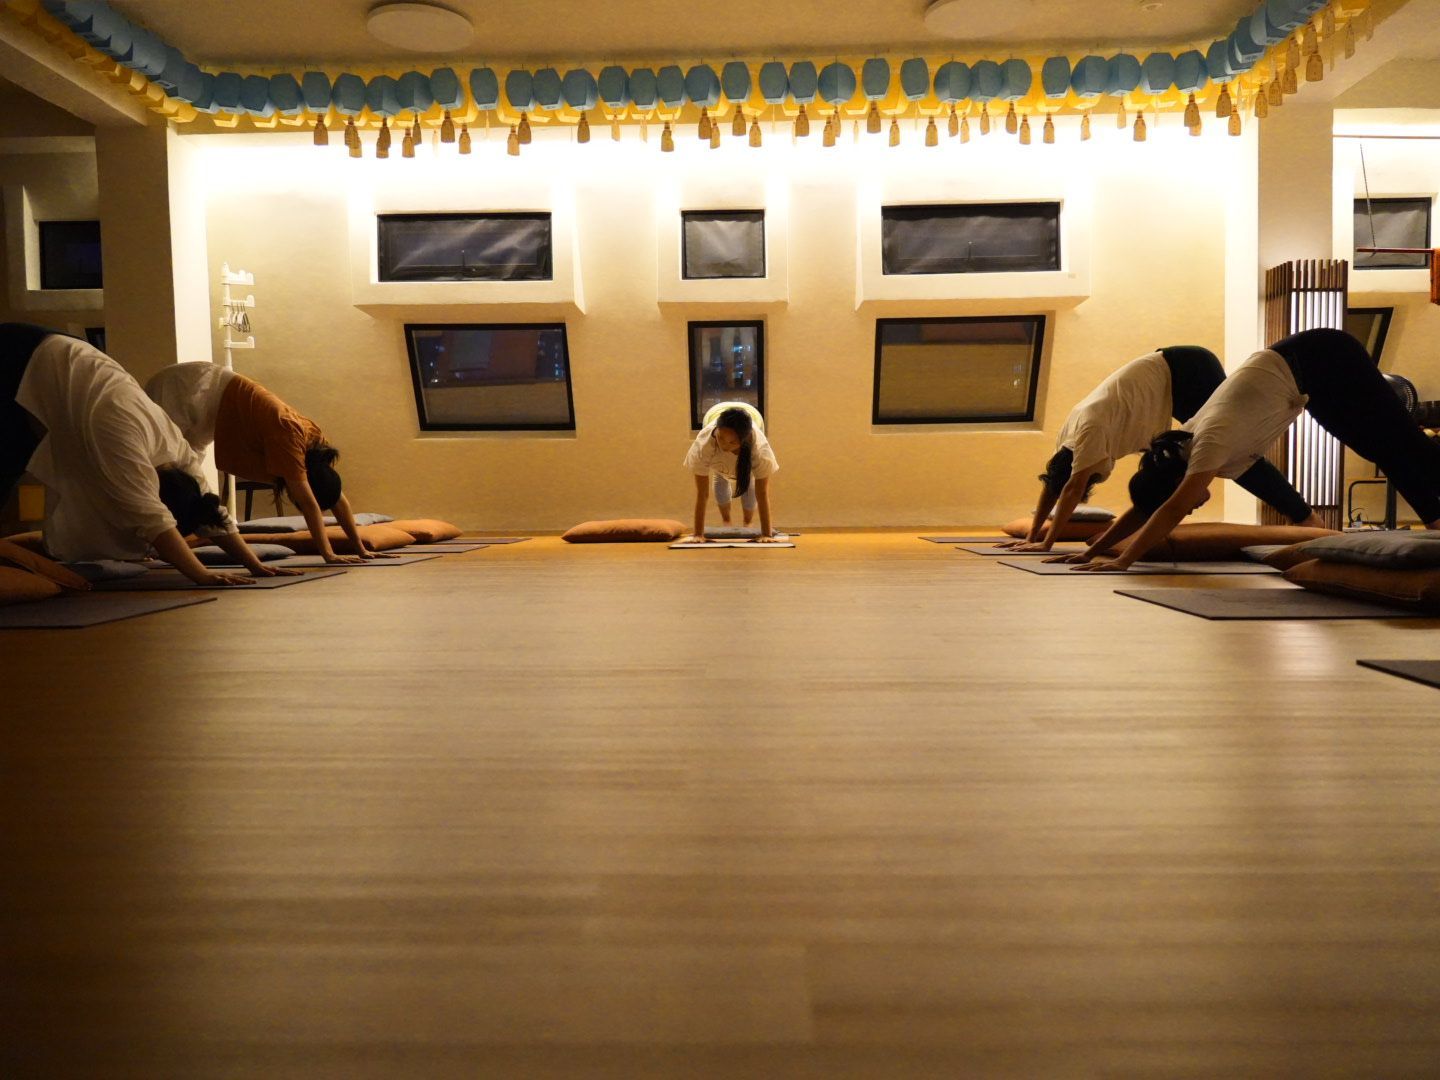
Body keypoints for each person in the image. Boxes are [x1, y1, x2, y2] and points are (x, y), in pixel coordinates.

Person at [1070, 327, 1440, 573]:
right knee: (1385, 449)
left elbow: (1171, 507)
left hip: (1324, 356)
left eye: (1189, 502)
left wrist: (1123, 562)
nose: (1194, 507)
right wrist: (1091, 551)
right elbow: (1151, 505)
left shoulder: (1208, 445)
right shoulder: (1182, 452)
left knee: (1403, 443)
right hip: (1307, 373)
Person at [1, 323, 295, 585]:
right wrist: (200, 574)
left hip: (62, 354)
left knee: (16, 455)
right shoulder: (125, 450)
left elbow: (209, 508)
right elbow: (154, 520)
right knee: (8, 462)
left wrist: (253, 565)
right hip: (16, 356)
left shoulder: (175, 452)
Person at [1006, 346, 1313, 552]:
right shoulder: (1068, 444)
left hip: (1183, 371)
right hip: (1170, 374)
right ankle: (1299, 513)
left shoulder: (1089, 434)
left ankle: (1303, 516)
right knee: (1169, 471)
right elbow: (1055, 485)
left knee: (1229, 456)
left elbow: (1071, 489)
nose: (1090, 481)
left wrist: (1046, 543)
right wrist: (1034, 535)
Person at [146, 361, 386, 564]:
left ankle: (163, 542)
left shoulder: (315, 443)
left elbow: (337, 499)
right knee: (165, 472)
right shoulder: (288, 440)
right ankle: (150, 544)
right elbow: (309, 503)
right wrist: (328, 554)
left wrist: (360, 548)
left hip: (209, 406)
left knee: (189, 483)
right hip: (189, 388)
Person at [682, 401, 780, 543]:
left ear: (744, 440)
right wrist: (698, 534)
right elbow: (702, 493)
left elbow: (762, 493)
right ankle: (726, 521)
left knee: (748, 479)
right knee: (720, 474)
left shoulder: (760, 449)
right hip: (714, 414)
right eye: (721, 438)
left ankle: (748, 522)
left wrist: (766, 534)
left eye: (732, 442)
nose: (724, 445)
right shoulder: (703, 446)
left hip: (754, 419)